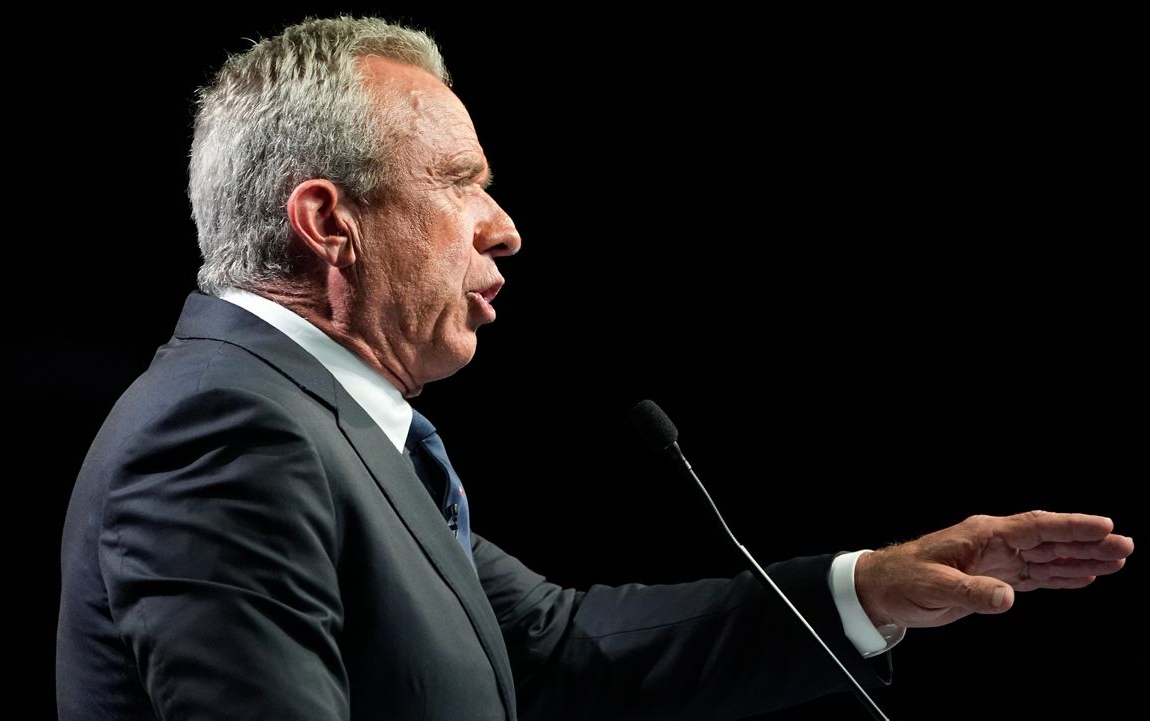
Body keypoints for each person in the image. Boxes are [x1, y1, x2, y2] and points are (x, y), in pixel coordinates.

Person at [55, 16, 1133, 721]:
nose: (503, 227)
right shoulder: (225, 436)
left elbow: (555, 643)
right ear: (329, 222)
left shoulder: (316, 429)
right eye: (459, 182)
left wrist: (871, 584)